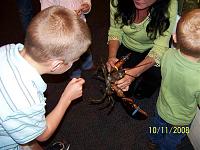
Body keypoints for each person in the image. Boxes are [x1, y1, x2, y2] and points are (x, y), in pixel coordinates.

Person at [0, 6, 91, 150]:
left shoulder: (7, 49)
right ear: (56, 65)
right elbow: (42, 135)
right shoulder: (27, 100)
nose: (75, 64)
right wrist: (66, 98)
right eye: (74, 60)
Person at [148, 9, 200, 150]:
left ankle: (153, 140)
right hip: (181, 121)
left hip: (161, 108)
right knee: (174, 138)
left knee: (157, 126)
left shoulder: (167, 54)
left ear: (174, 38)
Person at [106, 0, 178, 98]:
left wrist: (134, 73)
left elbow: (160, 47)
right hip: (128, 44)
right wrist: (112, 57)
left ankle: (145, 87)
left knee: (156, 74)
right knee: (120, 89)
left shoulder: (170, 3)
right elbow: (115, 30)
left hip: (154, 46)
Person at [40, 0, 94, 78]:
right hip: (64, 32)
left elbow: (86, 1)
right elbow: (46, 14)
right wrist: (66, 15)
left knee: (84, 46)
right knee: (70, 54)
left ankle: (88, 64)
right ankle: (75, 73)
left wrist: (86, 5)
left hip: (80, 25)